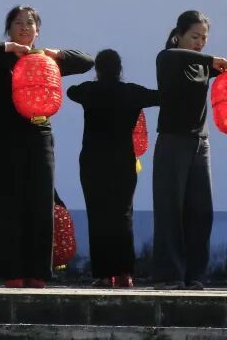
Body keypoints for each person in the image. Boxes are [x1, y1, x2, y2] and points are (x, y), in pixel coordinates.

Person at [0, 5, 94, 289]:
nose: (24, 27)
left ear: (38, 30)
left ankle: (38, 271)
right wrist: (10, 48)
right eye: (17, 23)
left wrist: (56, 54)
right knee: (7, 202)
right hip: (4, 137)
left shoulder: (46, 61)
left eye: (30, 23)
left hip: (39, 136)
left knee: (40, 201)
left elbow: (87, 61)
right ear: (9, 29)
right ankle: (10, 271)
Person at [152, 10, 227, 290]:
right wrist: (210, 60)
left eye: (204, 38)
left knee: (201, 211)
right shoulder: (168, 59)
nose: (199, 43)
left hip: (201, 143)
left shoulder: (204, 65)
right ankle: (169, 275)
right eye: (194, 36)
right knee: (170, 210)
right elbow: (175, 56)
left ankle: (195, 275)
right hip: (172, 141)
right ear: (179, 35)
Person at [67, 49, 159, 288]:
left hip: (93, 160)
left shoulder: (88, 90)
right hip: (122, 161)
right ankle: (124, 272)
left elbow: (70, 91)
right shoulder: (132, 92)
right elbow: (160, 97)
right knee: (123, 214)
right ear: (120, 69)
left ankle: (102, 274)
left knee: (97, 214)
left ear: (97, 69)